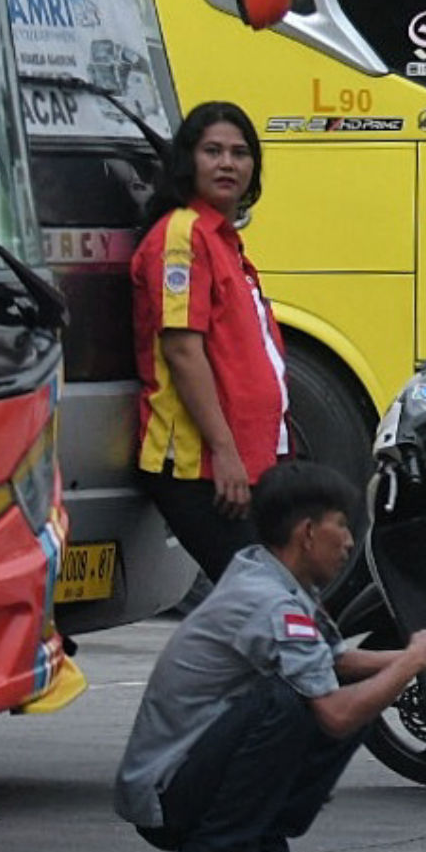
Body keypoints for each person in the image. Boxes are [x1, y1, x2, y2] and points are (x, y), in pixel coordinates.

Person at [112, 461, 426, 852]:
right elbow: (335, 714)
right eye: (342, 526)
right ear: (308, 533)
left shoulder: (273, 576)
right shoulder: (267, 599)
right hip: (168, 798)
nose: (349, 542)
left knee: (350, 690)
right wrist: (412, 661)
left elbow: (333, 660)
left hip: (190, 776)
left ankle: (260, 838)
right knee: (288, 702)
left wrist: (423, 653)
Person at [129, 101, 289, 579]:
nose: (227, 164)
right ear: (188, 161)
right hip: (197, 464)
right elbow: (182, 350)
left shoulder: (223, 239)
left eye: (240, 153)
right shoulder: (183, 235)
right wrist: (225, 452)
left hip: (240, 459)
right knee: (258, 597)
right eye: (212, 151)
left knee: (260, 597)